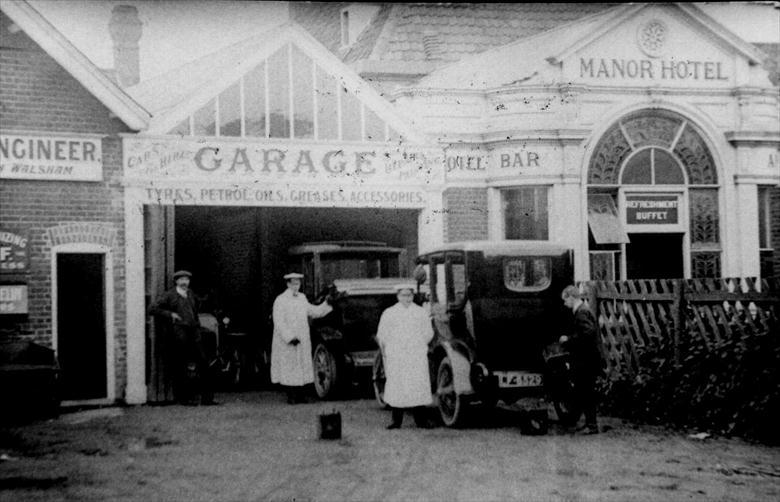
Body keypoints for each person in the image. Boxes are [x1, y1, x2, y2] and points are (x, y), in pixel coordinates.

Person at [149, 270, 217, 406]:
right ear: (176, 281)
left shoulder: (191, 294)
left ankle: (207, 399)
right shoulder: (169, 295)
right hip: (179, 334)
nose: (185, 282)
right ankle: (185, 399)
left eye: (187, 279)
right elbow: (152, 308)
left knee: (204, 363)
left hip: (194, 333)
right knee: (182, 365)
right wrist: (170, 314)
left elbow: (198, 306)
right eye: (182, 280)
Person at [376, 283, 435, 429]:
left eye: (409, 295)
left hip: (415, 355)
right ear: (397, 296)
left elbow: (428, 333)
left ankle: (421, 420)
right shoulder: (389, 313)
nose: (407, 298)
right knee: (398, 386)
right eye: (403, 295)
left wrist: (419, 345)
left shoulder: (420, 312)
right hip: (398, 356)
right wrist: (389, 349)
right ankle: (396, 421)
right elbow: (382, 334)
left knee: (417, 386)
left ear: (413, 296)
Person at [270, 272, 333, 404]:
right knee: (290, 367)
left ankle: (301, 395)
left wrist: (327, 303)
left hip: (302, 338)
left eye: (298, 283)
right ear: (288, 284)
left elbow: (313, 311)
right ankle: (291, 395)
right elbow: (279, 321)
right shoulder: (280, 300)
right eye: (293, 283)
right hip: (288, 341)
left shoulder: (302, 298)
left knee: (302, 367)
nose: (296, 286)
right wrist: (290, 337)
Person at [559, 285, 603, 434]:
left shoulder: (581, 313)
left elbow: (588, 333)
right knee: (582, 391)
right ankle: (582, 422)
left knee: (586, 392)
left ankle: (592, 426)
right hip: (587, 359)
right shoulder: (583, 310)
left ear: (571, 297)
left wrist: (568, 339)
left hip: (586, 360)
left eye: (565, 300)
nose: (565, 304)